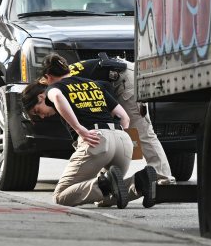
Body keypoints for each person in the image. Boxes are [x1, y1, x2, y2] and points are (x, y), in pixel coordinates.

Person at [21, 72, 158, 209]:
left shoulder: (54, 89)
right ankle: (140, 182)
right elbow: (124, 118)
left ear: (41, 97)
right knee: (105, 199)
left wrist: (79, 129)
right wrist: (118, 137)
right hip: (123, 140)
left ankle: (107, 183)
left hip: (96, 139)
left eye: (37, 111)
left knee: (60, 196)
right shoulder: (92, 84)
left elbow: (57, 96)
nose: (42, 117)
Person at [40, 53, 175, 186]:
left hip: (125, 79)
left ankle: (163, 176)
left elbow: (107, 88)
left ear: (48, 77)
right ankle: (109, 179)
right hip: (118, 77)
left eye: (46, 82)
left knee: (142, 131)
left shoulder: (65, 84)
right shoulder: (69, 74)